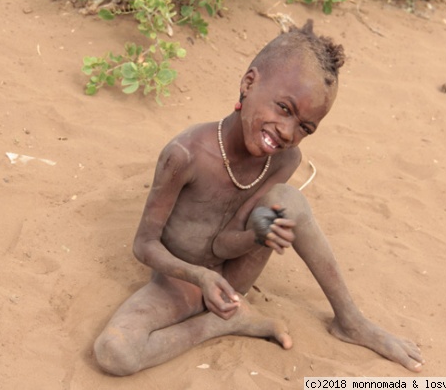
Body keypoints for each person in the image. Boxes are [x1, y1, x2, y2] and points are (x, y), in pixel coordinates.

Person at [93, 20, 424, 376]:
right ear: (249, 84)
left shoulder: (285, 159)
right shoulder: (185, 154)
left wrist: (259, 236)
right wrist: (200, 278)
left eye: (305, 128)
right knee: (115, 352)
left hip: (233, 276)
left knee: (289, 201)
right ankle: (220, 324)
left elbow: (222, 245)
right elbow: (144, 245)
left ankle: (351, 321)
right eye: (284, 108)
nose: (287, 131)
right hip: (181, 281)